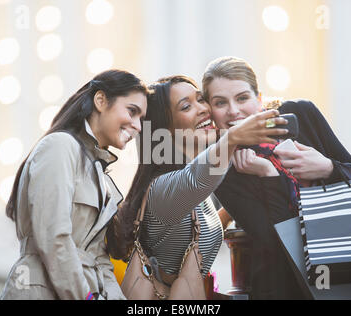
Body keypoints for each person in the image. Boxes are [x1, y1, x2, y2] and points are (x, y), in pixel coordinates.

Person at [202, 56, 351, 299]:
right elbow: (275, 240)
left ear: (259, 99)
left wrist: (328, 168)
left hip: (350, 269)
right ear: (211, 111)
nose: (233, 110)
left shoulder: (301, 112)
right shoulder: (222, 165)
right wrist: (267, 173)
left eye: (242, 98)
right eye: (220, 102)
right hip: (286, 288)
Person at [109, 75, 288, 296]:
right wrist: (232, 138)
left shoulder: (191, 191)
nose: (203, 109)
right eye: (186, 106)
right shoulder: (163, 189)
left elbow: (199, 230)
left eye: (201, 100)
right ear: (165, 128)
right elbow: (197, 178)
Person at [0, 69, 148, 300]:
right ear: (101, 100)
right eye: (132, 111)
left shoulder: (99, 172)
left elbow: (100, 258)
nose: (138, 126)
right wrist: (87, 297)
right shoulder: (60, 146)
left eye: (141, 118)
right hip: (40, 290)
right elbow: (54, 238)